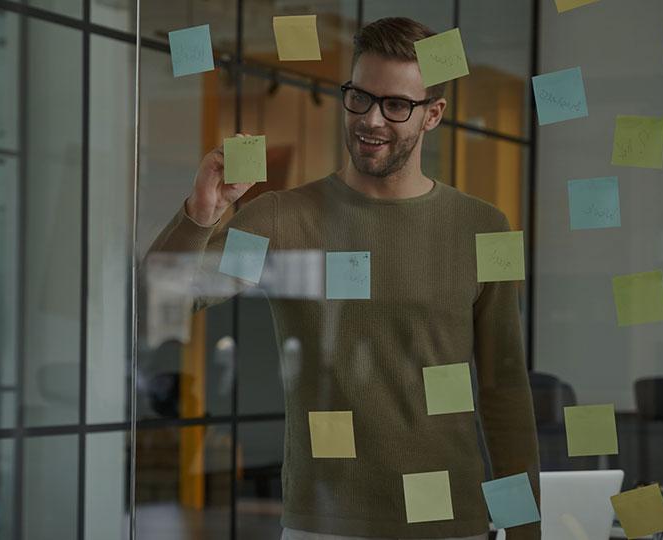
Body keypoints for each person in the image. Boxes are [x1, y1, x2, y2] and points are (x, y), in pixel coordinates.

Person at [146, 16, 540, 540]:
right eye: (360, 96)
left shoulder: (484, 226)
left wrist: (524, 530)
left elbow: (504, 389)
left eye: (396, 105)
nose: (371, 119)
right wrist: (200, 214)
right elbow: (158, 300)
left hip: (449, 524)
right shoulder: (281, 218)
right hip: (323, 525)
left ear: (433, 115)